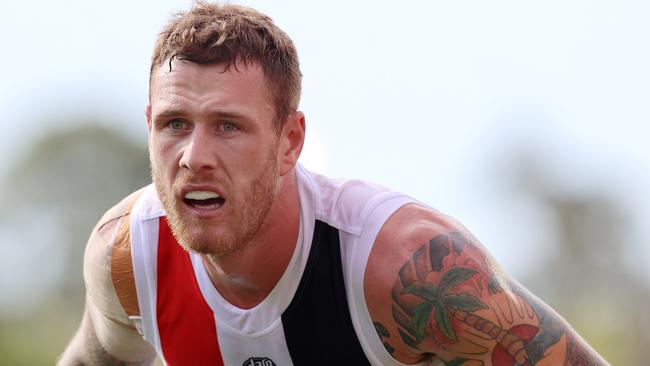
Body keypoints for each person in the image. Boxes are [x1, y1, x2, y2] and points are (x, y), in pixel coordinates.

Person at [58, 2, 609, 365]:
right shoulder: (128, 258)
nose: (194, 157)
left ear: (290, 143)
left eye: (228, 126)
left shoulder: (405, 269)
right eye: (175, 124)